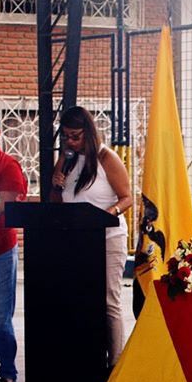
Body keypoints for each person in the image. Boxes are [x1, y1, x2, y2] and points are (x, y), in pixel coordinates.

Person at [51, 106, 132, 367]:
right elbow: (57, 203)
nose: (70, 142)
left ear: (88, 131)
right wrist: (56, 184)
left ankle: (115, 365)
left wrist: (105, 216)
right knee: (82, 298)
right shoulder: (67, 159)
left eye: (75, 136)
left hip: (108, 238)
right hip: (79, 242)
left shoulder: (106, 157)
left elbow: (127, 197)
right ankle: (87, 361)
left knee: (109, 301)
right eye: (66, 136)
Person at [0, 116, 27, 382]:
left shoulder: (8, 166)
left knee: (0, 315)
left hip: (0, 250)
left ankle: (8, 372)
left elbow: (4, 205)